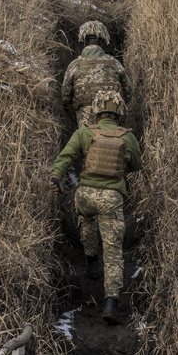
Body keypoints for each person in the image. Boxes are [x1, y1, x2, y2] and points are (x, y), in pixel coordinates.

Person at [49, 90, 142, 324]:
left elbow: (66, 156)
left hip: (85, 195)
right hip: (112, 199)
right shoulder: (127, 137)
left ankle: (91, 260)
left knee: (87, 222)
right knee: (112, 251)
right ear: (119, 112)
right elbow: (136, 165)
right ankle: (111, 302)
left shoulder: (83, 133)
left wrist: (56, 177)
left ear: (96, 111)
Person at [62, 21, 132, 129]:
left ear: (84, 42)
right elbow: (128, 92)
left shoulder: (74, 66)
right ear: (103, 42)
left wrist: (78, 115)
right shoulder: (115, 63)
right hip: (112, 119)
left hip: (85, 121)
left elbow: (66, 98)